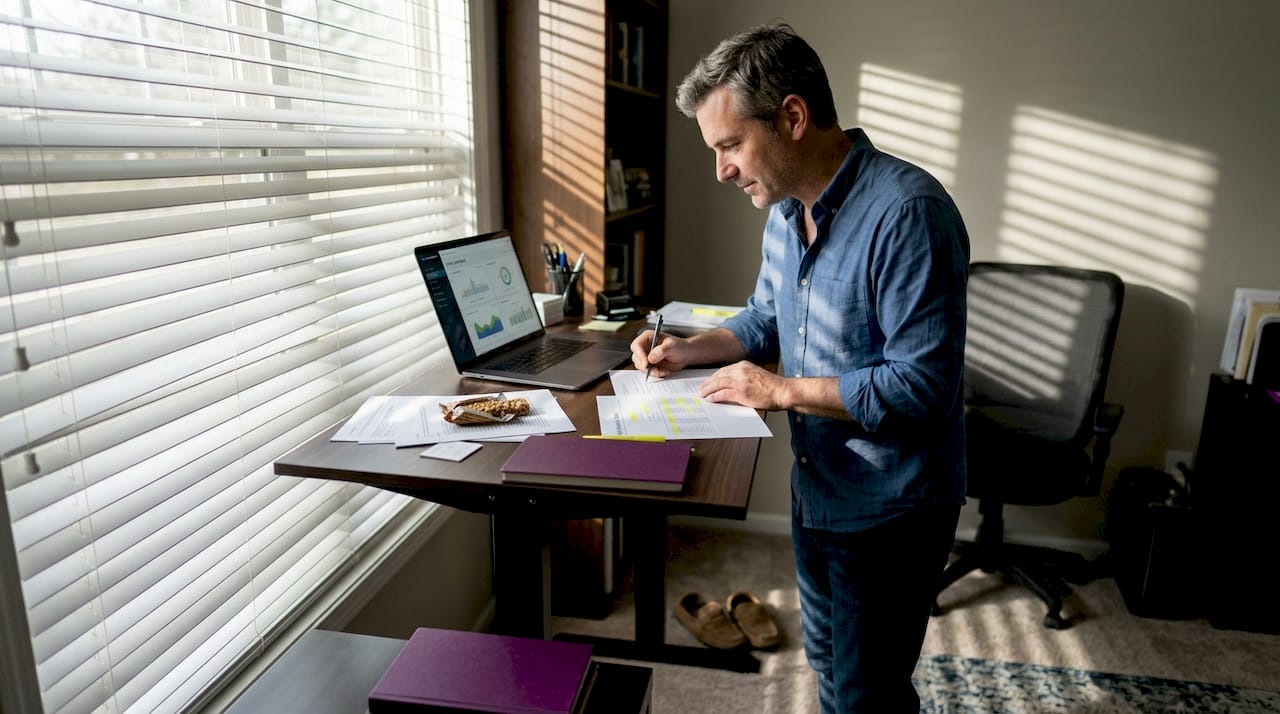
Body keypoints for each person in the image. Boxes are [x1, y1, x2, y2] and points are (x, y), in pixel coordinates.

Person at [633, 23, 970, 713]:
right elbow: (765, 318)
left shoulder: (909, 213)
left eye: (729, 146)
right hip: (817, 489)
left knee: (861, 693)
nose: (721, 170)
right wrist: (692, 349)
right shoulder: (786, 212)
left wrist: (779, 390)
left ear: (792, 117)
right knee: (830, 669)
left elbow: (921, 385)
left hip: (891, 508)